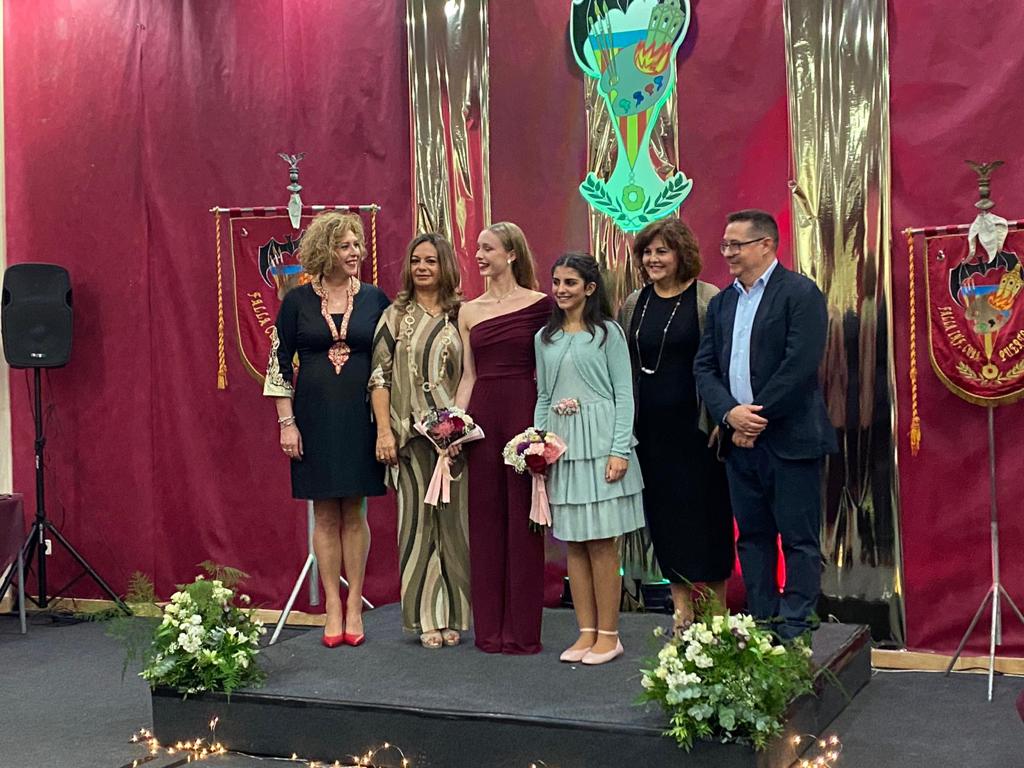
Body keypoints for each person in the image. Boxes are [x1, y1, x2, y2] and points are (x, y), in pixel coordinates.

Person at [694, 209, 837, 641]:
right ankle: (760, 627)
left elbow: (800, 365)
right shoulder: (722, 303)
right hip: (739, 445)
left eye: (736, 245)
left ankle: (795, 630)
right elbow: (705, 367)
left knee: (798, 540)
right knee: (752, 539)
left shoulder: (799, 293)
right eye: (725, 245)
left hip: (790, 441)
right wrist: (729, 414)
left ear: (766, 245)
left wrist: (753, 417)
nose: (728, 253)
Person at [264, 210, 390, 648]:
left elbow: (389, 362)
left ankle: (355, 604)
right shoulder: (296, 302)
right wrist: (287, 424)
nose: (355, 252)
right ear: (324, 250)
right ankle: (331, 606)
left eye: (357, 244)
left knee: (355, 510)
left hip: (361, 415)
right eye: (345, 246)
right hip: (313, 416)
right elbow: (278, 364)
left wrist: (387, 425)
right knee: (324, 512)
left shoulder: (375, 299)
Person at [619, 217, 734, 633]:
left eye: (662, 251)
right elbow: (624, 366)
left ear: (681, 254)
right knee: (665, 521)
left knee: (709, 518)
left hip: (699, 432)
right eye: (647, 252)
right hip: (651, 434)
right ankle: (682, 614)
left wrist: (722, 415)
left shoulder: (707, 298)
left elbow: (726, 363)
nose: (653, 259)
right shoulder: (634, 302)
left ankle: (717, 615)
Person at [534, 253, 644, 665]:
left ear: (590, 288)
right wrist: (538, 447)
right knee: (574, 544)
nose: (561, 290)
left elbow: (624, 395)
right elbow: (544, 396)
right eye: (557, 282)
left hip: (600, 447)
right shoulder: (544, 338)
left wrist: (619, 449)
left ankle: (609, 636)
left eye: (570, 283)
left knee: (600, 543)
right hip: (564, 450)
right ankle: (585, 632)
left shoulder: (607, 333)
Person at [454, 221, 553, 654]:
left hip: (524, 412)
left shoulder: (540, 306)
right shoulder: (467, 311)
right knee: (485, 518)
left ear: (511, 254)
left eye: (488, 248)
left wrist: (546, 428)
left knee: (523, 518)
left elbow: (549, 367)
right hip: (482, 417)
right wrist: (455, 427)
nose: (479, 255)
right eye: (478, 248)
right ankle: (489, 630)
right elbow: (468, 376)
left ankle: (522, 631)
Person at [369, 233, 471, 649]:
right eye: (416, 261)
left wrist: (460, 428)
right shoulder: (394, 316)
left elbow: (472, 375)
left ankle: (454, 615)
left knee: (454, 526)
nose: (422, 268)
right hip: (409, 438)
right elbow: (379, 377)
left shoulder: (461, 314)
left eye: (430, 260)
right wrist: (384, 431)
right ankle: (426, 616)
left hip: (454, 441)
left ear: (445, 265)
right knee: (416, 526)